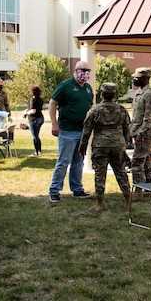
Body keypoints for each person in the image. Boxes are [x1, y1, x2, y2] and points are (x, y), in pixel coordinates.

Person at [80, 83, 131, 212]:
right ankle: (127, 200)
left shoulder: (95, 110)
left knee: (100, 174)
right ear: (114, 95)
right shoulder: (121, 109)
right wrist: (124, 142)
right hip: (117, 145)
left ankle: (100, 203)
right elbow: (127, 129)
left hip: (100, 145)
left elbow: (86, 131)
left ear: (101, 94)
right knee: (121, 172)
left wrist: (82, 148)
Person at [48, 61, 94, 202]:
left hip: (82, 131)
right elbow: (52, 103)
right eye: (83, 70)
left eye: (88, 70)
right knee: (63, 161)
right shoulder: (65, 86)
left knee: (78, 162)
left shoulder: (87, 88)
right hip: (67, 130)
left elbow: (91, 105)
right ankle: (54, 190)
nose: (85, 73)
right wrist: (54, 124)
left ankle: (77, 189)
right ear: (76, 70)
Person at [130, 67, 151, 200]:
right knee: (146, 160)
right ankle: (148, 189)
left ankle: (138, 190)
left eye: (138, 78)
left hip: (145, 133)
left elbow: (149, 118)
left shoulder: (150, 94)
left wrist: (141, 135)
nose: (135, 80)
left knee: (137, 161)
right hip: (138, 132)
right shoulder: (139, 93)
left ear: (146, 78)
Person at [23, 85, 44, 157]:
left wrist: (26, 113)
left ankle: (36, 152)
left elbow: (33, 111)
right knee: (37, 136)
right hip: (40, 118)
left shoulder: (33, 100)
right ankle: (39, 151)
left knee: (34, 136)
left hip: (34, 119)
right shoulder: (40, 100)